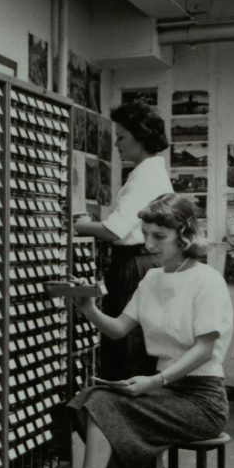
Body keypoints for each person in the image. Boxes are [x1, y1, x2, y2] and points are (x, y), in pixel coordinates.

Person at [49, 194, 231, 468]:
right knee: (86, 401)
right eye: (145, 234)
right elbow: (118, 329)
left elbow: (205, 349)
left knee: (102, 403)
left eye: (158, 237)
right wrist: (87, 307)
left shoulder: (207, 281)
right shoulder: (151, 280)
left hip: (201, 400)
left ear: (185, 234)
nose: (148, 244)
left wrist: (156, 381)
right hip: (166, 390)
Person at [73, 100, 174, 380]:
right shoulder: (148, 172)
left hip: (135, 265)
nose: (116, 144)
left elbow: (114, 230)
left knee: (128, 348)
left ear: (140, 137)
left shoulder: (146, 176)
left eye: (121, 137)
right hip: (142, 262)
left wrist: (79, 225)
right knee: (133, 343)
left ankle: (123, 416)